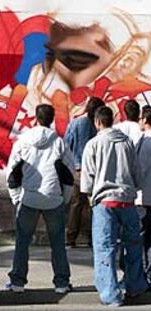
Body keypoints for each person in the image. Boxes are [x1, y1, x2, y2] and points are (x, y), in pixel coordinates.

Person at [81, 106, 149, 307]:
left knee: (105, 248)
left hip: (105, 202)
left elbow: (87, 179)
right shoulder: (127, 143)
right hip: (127, 201)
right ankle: (135, 285)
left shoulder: (93, 144)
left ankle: (110, 293)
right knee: (133, 246)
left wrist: (91, 198)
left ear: (97, 122)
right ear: (112, 120)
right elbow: (137, 173)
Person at [5, 104, 73, 294]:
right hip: (54, 198)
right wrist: (64, 199)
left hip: (28, 198)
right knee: (58, 242)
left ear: (36, 117)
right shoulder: (60, 143)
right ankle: (61, 283)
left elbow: (12, 173)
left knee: (22, 241)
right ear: (51, 119)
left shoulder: (22, 141)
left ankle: (17, 282)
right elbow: (68, 176)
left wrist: (16, 199)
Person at [64, 97, 105, 247]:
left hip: (77, 169)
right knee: (91, 204)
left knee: (76, 204)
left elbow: (67, 143)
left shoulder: (75, 123)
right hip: (94, 169)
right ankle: (90, 236)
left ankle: (71, 237)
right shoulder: (98, 127)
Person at [138, 106, 151, 283]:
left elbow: (139, 171)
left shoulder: (146, 143)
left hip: (146, 198)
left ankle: (146, 276)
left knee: (144, 239)